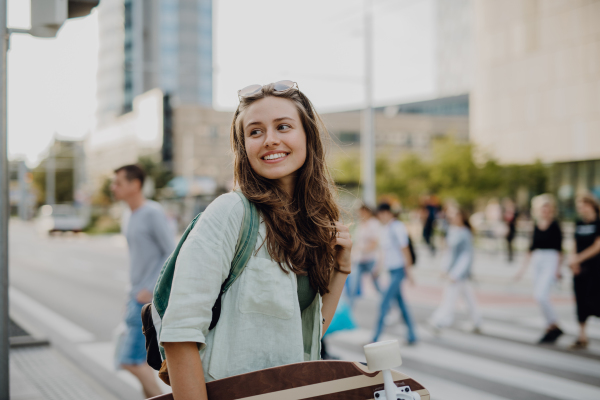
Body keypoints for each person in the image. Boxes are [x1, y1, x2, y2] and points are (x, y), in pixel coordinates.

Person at [159, 81, 352, 400]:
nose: (270, 140)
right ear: (244, 146)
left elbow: (305, 333)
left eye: (283, 126)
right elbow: (180, 332)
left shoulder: (311, 225)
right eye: (255, 131)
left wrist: (341, 268)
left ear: (308, 135)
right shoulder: (231, 211)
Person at [110, 164, 175, 398]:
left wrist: (152, 288)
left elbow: (172, 251)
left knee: (130, 361)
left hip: (145, 299)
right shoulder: (129, 214)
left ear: (135, 185)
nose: (113, 187)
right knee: (139, 362)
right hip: (134, 297)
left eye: (118, 182)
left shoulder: (152, 212)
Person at [515, 194, 563, 344]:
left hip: (551, 260)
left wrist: (558, 269)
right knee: (538, 295)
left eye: (547, 208)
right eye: (543, 208)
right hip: (538, 261)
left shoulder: (555, 226)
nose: (545, 211)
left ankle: (553, 324)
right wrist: (521, 270)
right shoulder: (535, 226)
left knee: (542, 295)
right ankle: (551, 326)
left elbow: (560, 250)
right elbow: (531, 248)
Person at [429, 207, 482, 332]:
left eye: (455, 216)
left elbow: (467, 256)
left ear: (462, 217)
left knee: (450, 297)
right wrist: (444, 268)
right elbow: (449, 253)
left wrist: (456, 273)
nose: (453, 218)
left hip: (458, 273)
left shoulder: (464, 233)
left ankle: (439, 320)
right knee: (469, 298)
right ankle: (477, 322)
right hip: (453, 272)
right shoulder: (453, 231)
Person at [372, 203, 417, 345]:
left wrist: (409, 272)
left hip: (399, 271)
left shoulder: (397, 227)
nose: (379, 218)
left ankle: (375, 338)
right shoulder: (386, 228)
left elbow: (405, 249)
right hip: (392, 271)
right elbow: (385, 252)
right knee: (401, 304)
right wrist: (378, 268)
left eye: (380, 215)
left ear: (386, 213)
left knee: (385, 303)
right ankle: (412, 335)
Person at [569, 193, 600, 349]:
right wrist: (574, 262)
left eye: (584, 206)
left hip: (596, 268)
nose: (581, 209)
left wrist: (578, 258)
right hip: (581, 269)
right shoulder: (579, 223)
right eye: (579, 207)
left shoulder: (598, 222)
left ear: (591, 205)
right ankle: (582, 336)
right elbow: (574, 242)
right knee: (580, 300)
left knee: (595, 300)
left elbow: (597, 246)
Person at [349, 204, 381, 307]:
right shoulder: (361, 224)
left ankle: (387, 306)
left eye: (362, 212)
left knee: (377, 286)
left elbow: (374, 243)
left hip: (371, 259)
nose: (360, 214)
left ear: (367, 211)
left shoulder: (374, 223)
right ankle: (349, 311)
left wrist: (360, 249)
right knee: (353, 286)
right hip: (360, 260)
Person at [503, 198, 518, 263]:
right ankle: (509, 255)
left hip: (512, 228)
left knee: (511, 242)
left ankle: (511, 255)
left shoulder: (514, 211)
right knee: (508, 243)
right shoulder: (506, 211)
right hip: (507, 228)